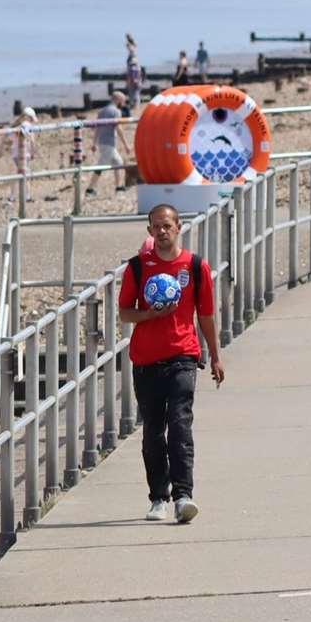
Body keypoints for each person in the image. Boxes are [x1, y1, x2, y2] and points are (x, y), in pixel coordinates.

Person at [117, 204, 225, 522]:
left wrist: (215, 356)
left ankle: (183, 496)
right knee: (153, 431)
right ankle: (158, 497)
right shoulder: (137, 267)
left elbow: (206, 314)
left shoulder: (195, 266)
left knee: (180, 424)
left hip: (184, 356)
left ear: (178, 227)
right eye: (156, 227)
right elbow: (125, 312)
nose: (162, 232)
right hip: (146, 358)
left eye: (167, 226)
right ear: (150, 231)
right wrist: (149, 314)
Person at [88, 91, 132, 197]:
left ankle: (118, 187)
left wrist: (94, 142)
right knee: (101, 166)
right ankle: (90, 189)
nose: (123, 104)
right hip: (109, 142)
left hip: (102, 142)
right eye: (123, 101)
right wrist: (126, 144)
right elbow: (118, 128)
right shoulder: (116, 111)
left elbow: (97, 127)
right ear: (119, 100)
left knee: (118, 162)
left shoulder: (102, 111)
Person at [9, 107, 37, 205]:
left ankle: (12, 196)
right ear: (28, 117)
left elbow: (8, 138)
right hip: (25, 153)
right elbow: (32, 140)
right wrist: (33, 152)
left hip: (15, 154)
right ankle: (27, 196)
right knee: (26, 174)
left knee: (17, 175)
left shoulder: (15, 125)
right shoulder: (27, 125)